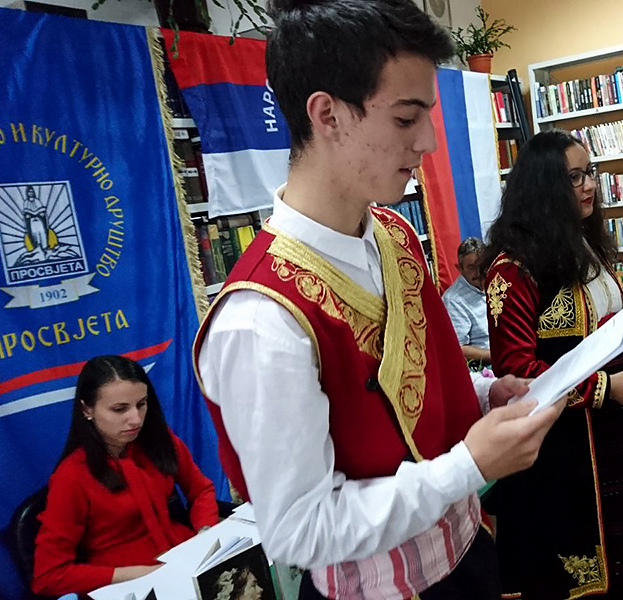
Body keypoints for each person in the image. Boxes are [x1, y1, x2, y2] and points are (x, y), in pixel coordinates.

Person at [193, 1, 564, 599]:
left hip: (467, 550)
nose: (428, 142)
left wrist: (482, 395)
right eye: (405, 118)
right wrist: (468, 467)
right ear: (328, 115)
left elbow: (414, 386)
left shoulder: (393, 234)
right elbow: (300, 530)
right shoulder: (261, 319)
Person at [482, 129, 623, 600]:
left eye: (589, 172)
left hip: (613, 438)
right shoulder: (512, 270)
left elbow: (613, 328)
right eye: (574, 177)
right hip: (561, 454)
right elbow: (519, 375)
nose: (589, 185)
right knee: (576, 573)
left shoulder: (585, 247)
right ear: (545, 187)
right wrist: (607, 389)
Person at [32, 355, 219, 597]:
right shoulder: (71, 477)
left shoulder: (158, 440)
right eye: (119, 409)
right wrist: (136, 574)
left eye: (141, 404)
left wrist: (205, 532)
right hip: (127, 584)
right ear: (87, 410)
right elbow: (48, 576)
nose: (136, 419)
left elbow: (201, 489)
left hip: (184, 559)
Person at [443, 237, 491, 365]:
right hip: (485, 366)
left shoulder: (497, 282)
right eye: (471, 267)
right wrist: (497, 355)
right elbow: (458, 348)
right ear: (460, 268)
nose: (478, 272)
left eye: (481, 265)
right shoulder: (453, 300)